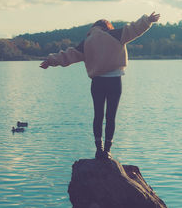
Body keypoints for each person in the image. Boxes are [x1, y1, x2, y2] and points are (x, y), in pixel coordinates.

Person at [40, 12, 160, 159]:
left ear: (94, 28)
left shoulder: (87, 41)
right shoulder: (115, 34)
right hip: (115, 81)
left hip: (97, 82)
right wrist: (148, 20)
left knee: (98, 115)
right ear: (107, 27)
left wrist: (50, 61)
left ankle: (99, 148)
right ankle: (108, 150)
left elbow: (68, 55)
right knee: (111, 116)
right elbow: (134, 29)